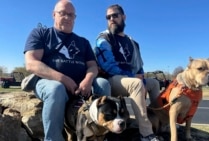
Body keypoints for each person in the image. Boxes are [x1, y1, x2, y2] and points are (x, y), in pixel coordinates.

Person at [23, 0, 110, 140]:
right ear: (53, 14)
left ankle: (99, 134)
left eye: (71, 15)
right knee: (56, 88)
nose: (67, 18)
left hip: (81, 87)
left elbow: (93, 66)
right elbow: (31, 63)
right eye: (62, 13)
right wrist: (64, 79)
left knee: (103, 84)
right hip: (49, 83)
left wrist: (88, 80)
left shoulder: (83, 42)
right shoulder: (41, 33)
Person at [94, 4, 160, 141]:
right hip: (112, 79)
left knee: (154, 83)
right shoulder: (103, 38)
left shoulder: (133, 43)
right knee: (136, 84)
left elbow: (139, 66)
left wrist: (141, 77)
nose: (111, 19)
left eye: (115, 15)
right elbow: (108, 66)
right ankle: (146, 134)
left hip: (131, 79)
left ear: (123, 17)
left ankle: (161, 121)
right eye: (108, 17)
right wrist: (133, 77)